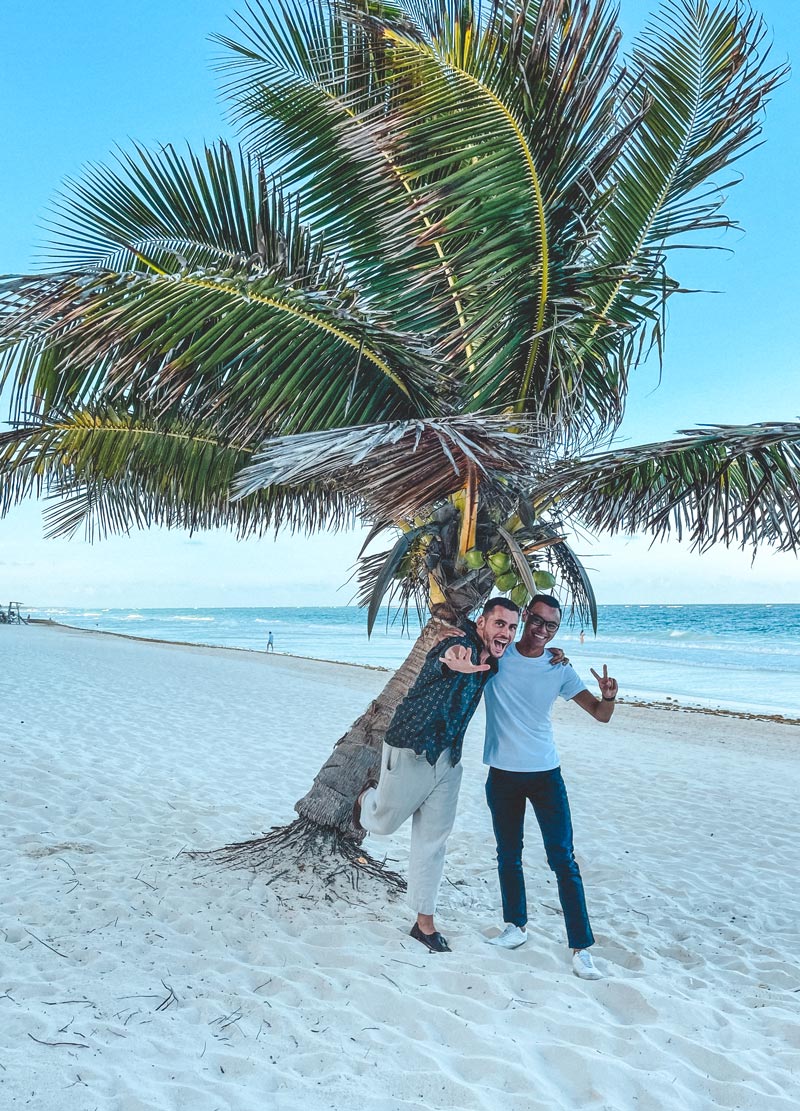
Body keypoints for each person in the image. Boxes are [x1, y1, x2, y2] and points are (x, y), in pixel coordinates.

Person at [355, 597, 563, 953]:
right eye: (500, 624)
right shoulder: (458, 644)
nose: (507, 633)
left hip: (449, 759)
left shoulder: (494, 660)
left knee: (433, 843)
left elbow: (526, 659)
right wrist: (454, 662)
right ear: (481, 622)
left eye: (512, 627)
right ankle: (365, 798)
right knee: (383, 824)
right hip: (411, 747)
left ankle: (424, 924)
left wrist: (553, 654)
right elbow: (447, 658)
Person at [481, 594, 618, 981]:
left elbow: (600, 715)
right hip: (502, 773)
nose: (542, 630)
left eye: (551, 626)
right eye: (537, 621)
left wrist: (609, 695)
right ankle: (515, 927)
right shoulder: (497, 656)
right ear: (524, 617)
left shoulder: (558, 667)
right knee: (509, 854)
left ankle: (581, 948)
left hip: (545, 773)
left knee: (563, 860)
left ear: (557, 630)